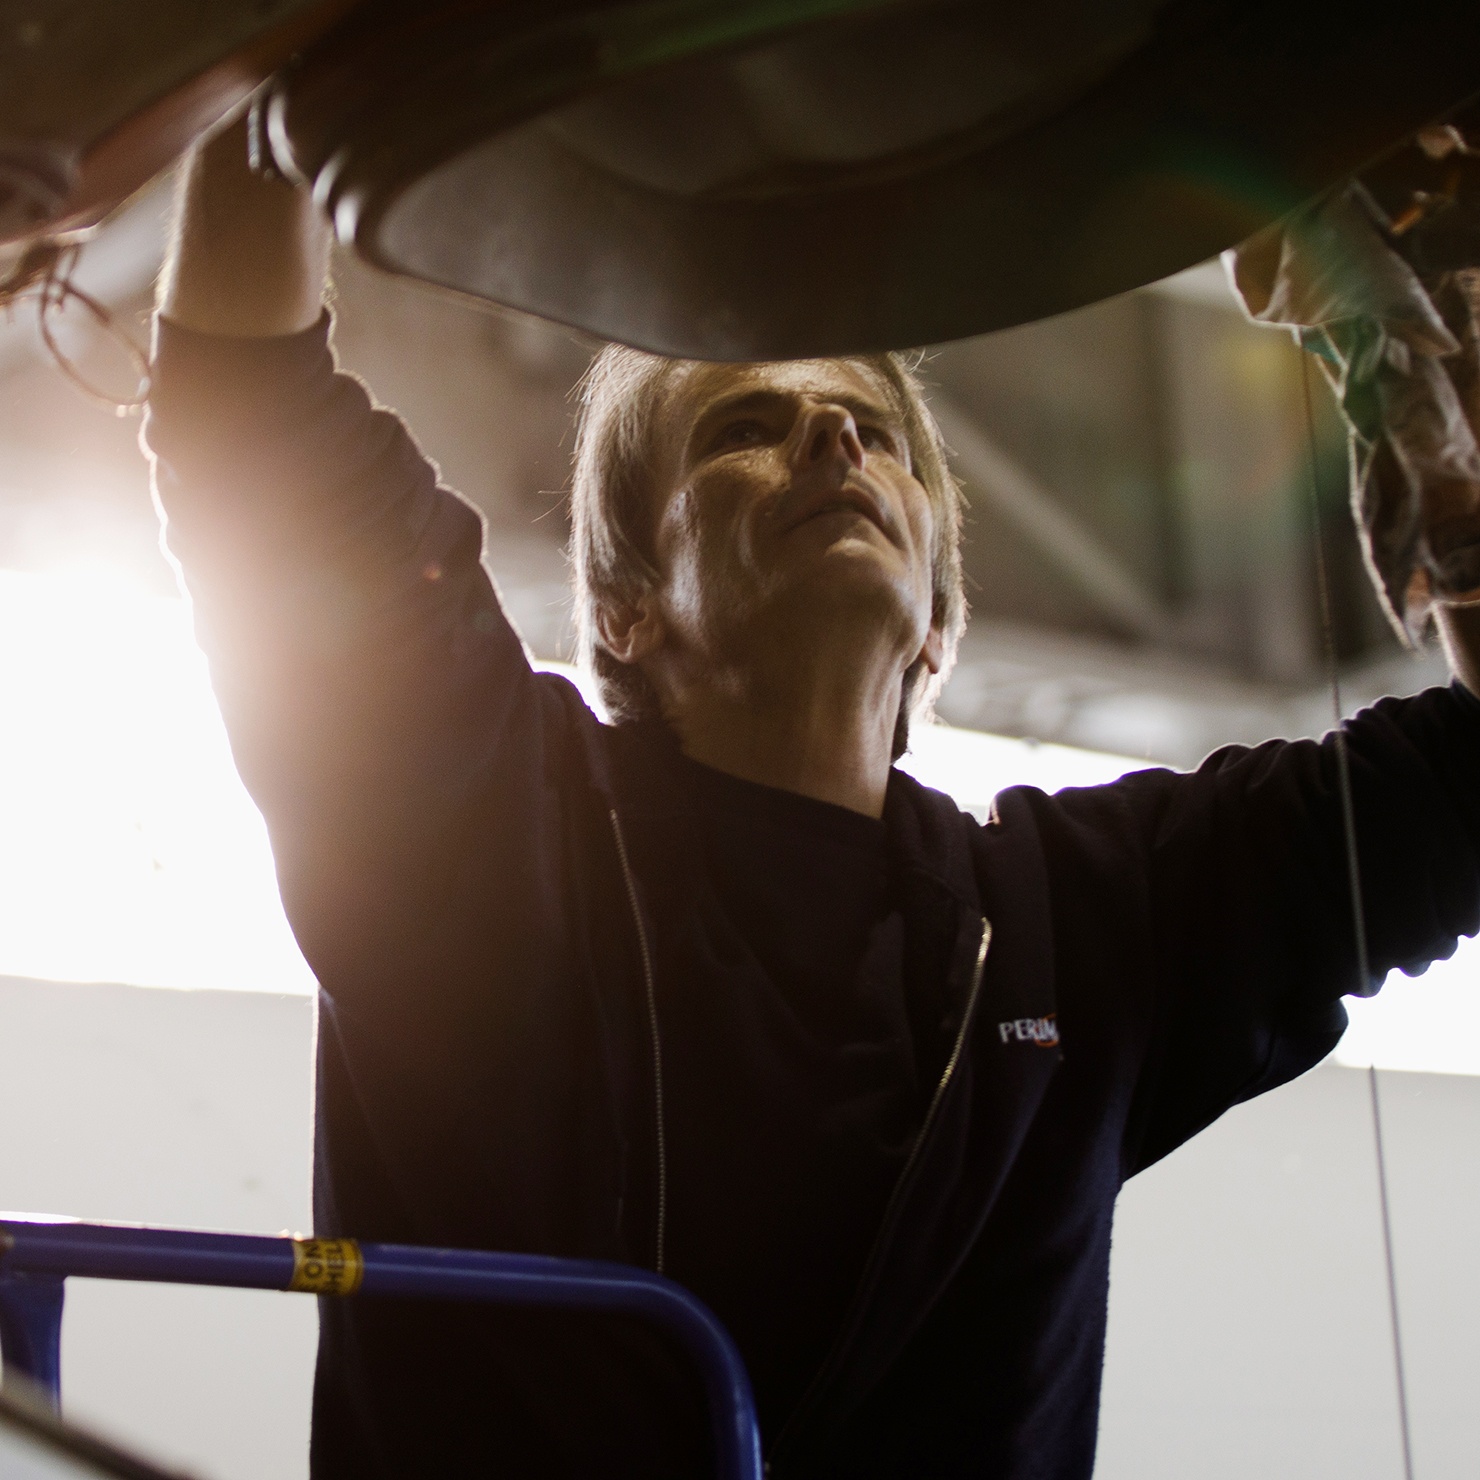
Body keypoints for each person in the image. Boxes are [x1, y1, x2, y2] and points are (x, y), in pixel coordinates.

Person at [144, 118, 1480, 1479]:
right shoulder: (492, 825)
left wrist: (1455, 474)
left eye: (875, 432)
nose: (833, 436)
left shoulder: (1087, 922)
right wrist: (289, 110)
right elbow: (249, 412)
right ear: (625, 607)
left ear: (940, 624)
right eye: (747, 426)